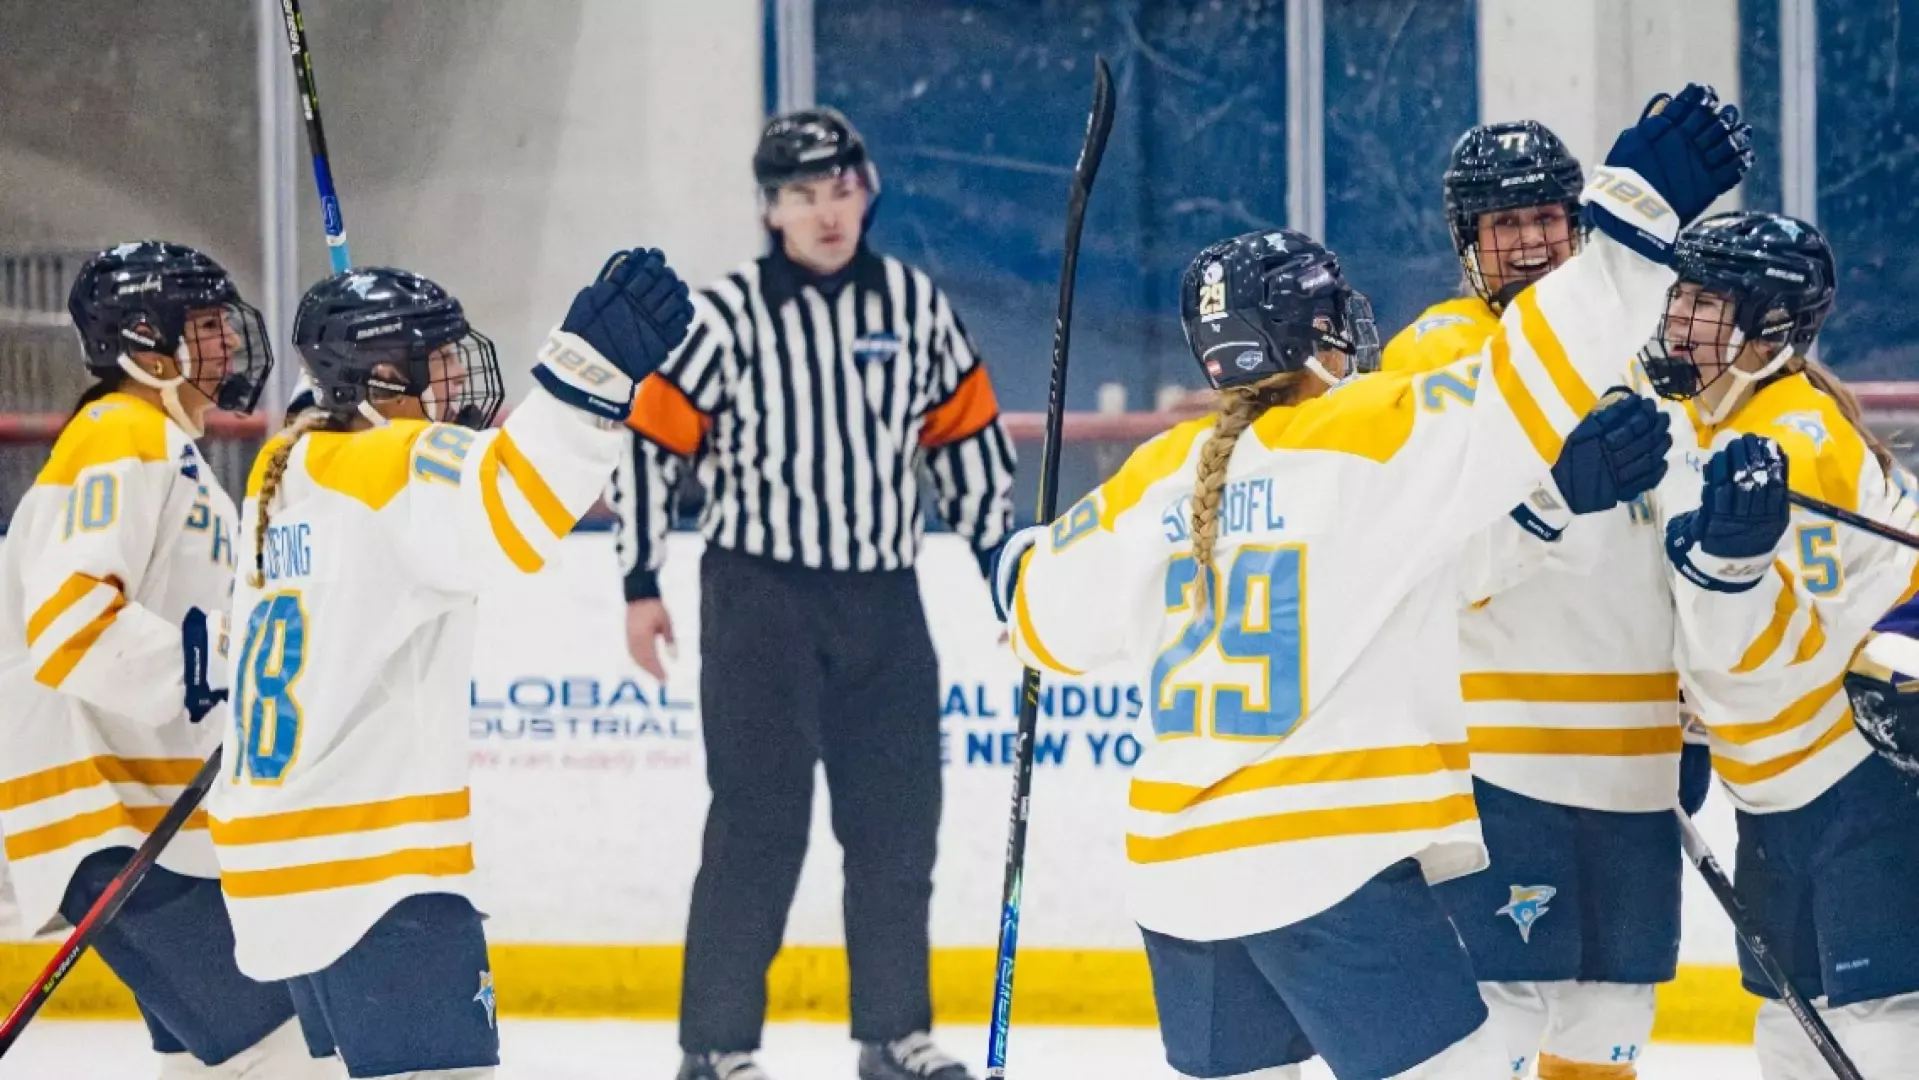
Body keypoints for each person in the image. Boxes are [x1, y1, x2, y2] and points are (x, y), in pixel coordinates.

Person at [993, 84, 1750, 1080]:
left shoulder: (1154, 478)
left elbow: (1035, 620)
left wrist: (1020, 558)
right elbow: (1532, 369)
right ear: (1315, 331)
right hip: (1324, 866)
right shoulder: (1367, 435)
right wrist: (1631, 213)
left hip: (1178, 885)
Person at [209, 250, 692, 1080]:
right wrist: (588, 366)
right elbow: (516, 503)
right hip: (372, 878)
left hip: (279, 863)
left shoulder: (284, 469)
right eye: (435, 361)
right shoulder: (390, 468)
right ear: (384, 378)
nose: (456, 379)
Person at [610, 107, 1013, 1080]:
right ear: (767, 210)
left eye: (838, 190)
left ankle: (892, 1033)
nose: (824, 212)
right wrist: (638, 578)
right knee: (756, 823)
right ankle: (715, 1047)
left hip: (883, 597)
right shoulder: (726, 314)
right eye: (799, 195)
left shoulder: (914, 306)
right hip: (759, 600)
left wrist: (1009, 577)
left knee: (896, 825)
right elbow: (649, 441)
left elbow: (967, 451)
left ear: (865, 193)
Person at [1383, 121, 1703, 1079]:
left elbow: (1667, 557)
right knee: (1499, 1029)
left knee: (1612, 1020)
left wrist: (1693, 725)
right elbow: (1422, 565)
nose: (1529, 243)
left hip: (1634, 768)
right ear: (1463, 241)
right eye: (1503, 222)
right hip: (1498, 765)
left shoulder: (1639, 360)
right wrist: (1551, 494)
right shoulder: (1438, 360)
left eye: (1549, 219)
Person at [0, 240, 326, 1077]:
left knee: (202, 1061)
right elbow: (72, 622)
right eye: (206, 326)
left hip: (155, 816)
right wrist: (224, 673)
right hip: (104, 817)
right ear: (147, 346)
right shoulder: (118, 435)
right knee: (286, 1052)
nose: (225, 345)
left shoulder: (166, 449)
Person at [1643, 211, 1919, 1079]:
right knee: (1785, 1021)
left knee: (1878, 1018)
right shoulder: (1712, 428)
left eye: (1707, 301)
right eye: (1680, 294)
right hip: (1777, 792)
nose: (1681, 318)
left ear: (1767, 329)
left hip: (1857, 785)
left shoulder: (1794, 439)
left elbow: (1787, 644)